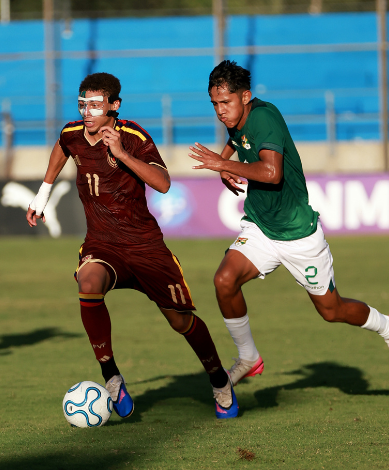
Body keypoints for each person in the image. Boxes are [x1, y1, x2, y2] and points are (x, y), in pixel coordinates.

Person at [27, 72, 238, 419]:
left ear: (114, 106)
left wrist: (121, 154)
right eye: (83, 104)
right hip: (102, 243)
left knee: (180, 322)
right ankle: (111, 377)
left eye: (95, 105)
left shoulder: (133, 136)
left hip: (145, 246)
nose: (87, 111)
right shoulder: (71, 134)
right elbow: (61, 148)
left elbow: (164, 183)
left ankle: (219, 379)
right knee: (88, 282)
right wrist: (42, 195)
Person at [188, 60, 389, 386]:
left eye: (226, 103)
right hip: (262, 227)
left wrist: (223, 163)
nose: (220, 111)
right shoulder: (240, 115)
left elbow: (271, 172)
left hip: (297, 234)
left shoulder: (264, 117)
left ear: (246, 96)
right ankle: (249, 358)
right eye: (215, 104)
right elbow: (237, 135)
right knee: (224, 280)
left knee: (331, 311)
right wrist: (227, 161)